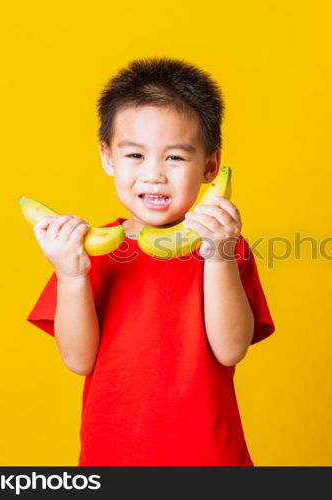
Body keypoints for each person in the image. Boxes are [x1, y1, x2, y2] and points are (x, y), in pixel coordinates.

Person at [26, 56, 275, 466]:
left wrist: (218, 256)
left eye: (175, 158)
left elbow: (231, 350)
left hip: (210, 456)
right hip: (114, 456)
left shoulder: (225, 244)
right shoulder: (91, 251)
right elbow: (78, 360)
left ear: (209, 166)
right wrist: (71, 275)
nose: (154, 174)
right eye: (135, 156)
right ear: (108, 157)